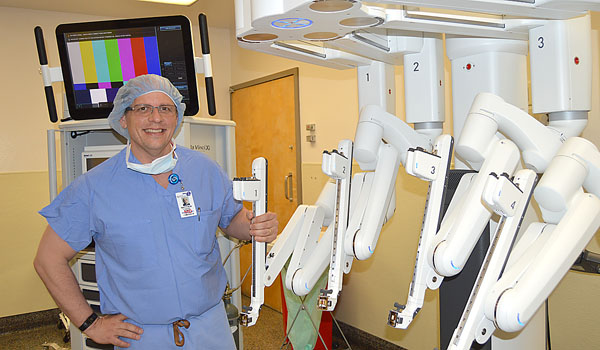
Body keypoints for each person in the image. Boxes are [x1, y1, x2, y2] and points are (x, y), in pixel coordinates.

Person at [34, 74, 279, 349]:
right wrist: (90, 323)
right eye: (143, 108)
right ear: (123, 120)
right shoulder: (93, 187)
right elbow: (48, 259)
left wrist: (254, 226)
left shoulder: (205, 169)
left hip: (211, 327)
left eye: (165, 108)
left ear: (177, 118)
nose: (156, 118)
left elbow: (231, 219)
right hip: (141, 336)